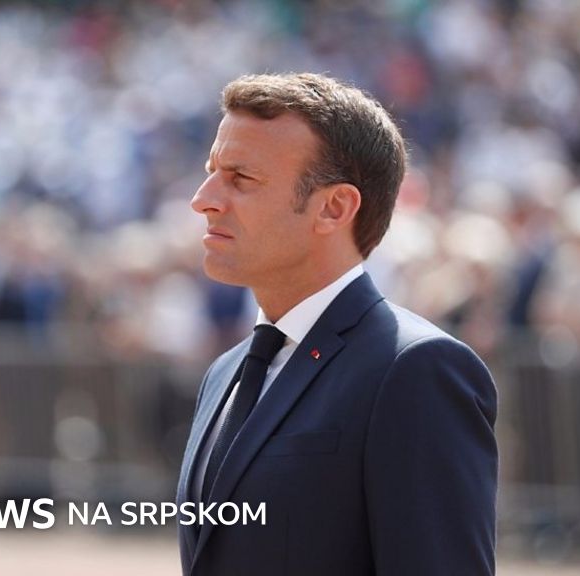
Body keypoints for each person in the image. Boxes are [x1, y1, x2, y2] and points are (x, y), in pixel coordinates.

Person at [176, 72, 498, 576]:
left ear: (334, 207)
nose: (203, 199)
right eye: (212, 171)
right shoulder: (226, 373)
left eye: (241, 179)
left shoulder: (416, 369)